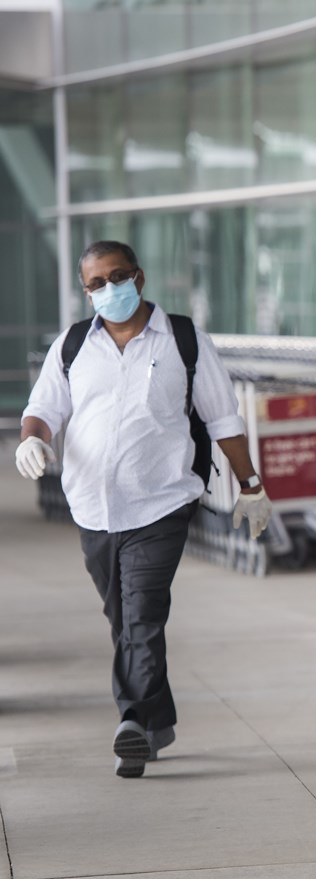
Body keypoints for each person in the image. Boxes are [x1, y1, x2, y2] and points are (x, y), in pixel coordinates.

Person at [16, 240, 272, 778]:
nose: (110, 289)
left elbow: (223, 419)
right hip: (91, 508)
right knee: (123, 619)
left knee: (142, 615)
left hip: (161, 503)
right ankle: (156, 722)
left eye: (119, 276)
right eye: (96, 283)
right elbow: (42, 410)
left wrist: (250, 486)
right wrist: (32, 440)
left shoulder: (182, 339)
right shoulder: (71, 347)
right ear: (85, 292)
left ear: (140, 275)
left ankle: (131, 722)